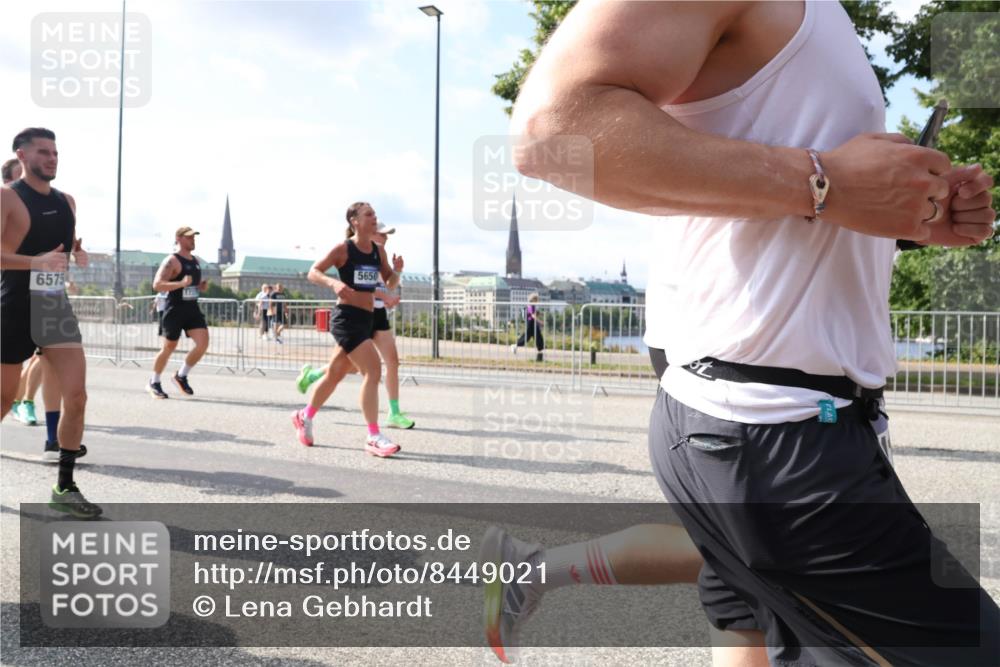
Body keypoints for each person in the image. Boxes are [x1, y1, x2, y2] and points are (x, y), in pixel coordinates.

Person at [487, 2, 998, 666]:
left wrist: (909, 216)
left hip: (789, 418)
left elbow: (777, 214)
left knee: (748, 638)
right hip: (769, 426)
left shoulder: (823, 19)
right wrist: (827, 181)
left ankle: (535, 570)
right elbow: (550, 132)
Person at [1, 127, 101, 518]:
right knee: (4, 400)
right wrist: (35, 262)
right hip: (13, 307)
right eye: (43, 152)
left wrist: (77, 253)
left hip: (54, 306)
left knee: (76, 397)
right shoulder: (8, 198)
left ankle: (64, 485)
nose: (52, 158)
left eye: (56, 152)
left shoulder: (68, 203)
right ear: (22, 156)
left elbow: (63, 243)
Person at [291, 203, 404, 456]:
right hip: (346, 318)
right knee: (373, 371)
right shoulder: (344, 248)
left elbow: (390, 283)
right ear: (354, 221)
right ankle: (373, 435)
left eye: (375, 214)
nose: (375, 218)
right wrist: (333, 283)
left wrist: (396, 270)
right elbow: (313, 272)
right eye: (369, 215)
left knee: (335, 373)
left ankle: (304, 416)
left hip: (367, 318)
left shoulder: (378, 251)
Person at [146, 227, 209, 399]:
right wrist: (180, 284)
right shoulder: (172, 261)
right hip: (174, 309)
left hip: (192, 308)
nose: (193, 240)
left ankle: (181, 375)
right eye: (189, 237)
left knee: (203, 343)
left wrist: (199, 287)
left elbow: (190, 286)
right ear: (179, 238)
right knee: (168, 347)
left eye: (194, 237)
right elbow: (157, 285)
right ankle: (154, 381)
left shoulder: (195, 260)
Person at [510, 293, 544, 361]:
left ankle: (540, 351)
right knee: (527, 337)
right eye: (536, 299)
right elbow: (533, 315)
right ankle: (515, 345)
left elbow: (535, 314)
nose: (537, 301)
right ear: (533, 299)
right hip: (531, 323)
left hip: (532, 323)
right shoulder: (530, 306)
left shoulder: (532, 306)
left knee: (537, 336)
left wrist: (540, 314)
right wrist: (540, 322)